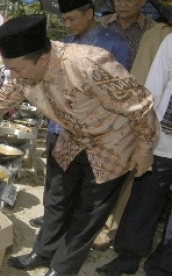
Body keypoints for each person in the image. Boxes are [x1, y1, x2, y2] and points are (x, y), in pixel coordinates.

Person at [0, 15, 159, 276]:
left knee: (87, 214)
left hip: (111, 146)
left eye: (19, 70)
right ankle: (43, 252)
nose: (15, 76)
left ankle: (62, 268)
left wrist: (145, 149)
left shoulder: (89, 63)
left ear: (43, 59)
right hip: (72, 139)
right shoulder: (24, 73)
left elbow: (141, 104)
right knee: (56, 200)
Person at [29, 0, 132, 230]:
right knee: (55, 186)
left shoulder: (115, 46)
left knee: (78, 193)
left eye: (72, 19)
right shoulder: (66, 43)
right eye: (64, 19)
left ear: (89, 14)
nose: (67, 24)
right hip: (58, 127)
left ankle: (64, 236)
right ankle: (50, 229)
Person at [96, 33, 172, 276]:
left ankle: (164, 265)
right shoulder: (171, 41)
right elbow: (154, 88)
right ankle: (128, 257)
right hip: (162, 141)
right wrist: (144, 138)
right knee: (143, 203)